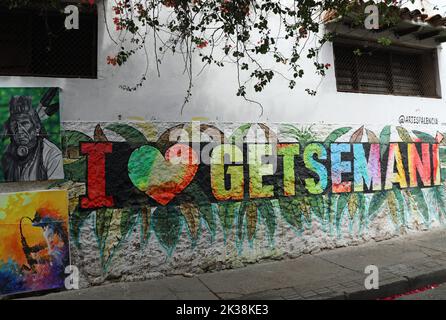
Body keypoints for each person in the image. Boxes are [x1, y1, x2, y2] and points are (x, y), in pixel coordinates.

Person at [2, 96, 64, 181]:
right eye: (14, 124)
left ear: (37, 128)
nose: (19, 130)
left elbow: (55, 189)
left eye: (24, 123)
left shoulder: (52, 155)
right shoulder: (8, 154)